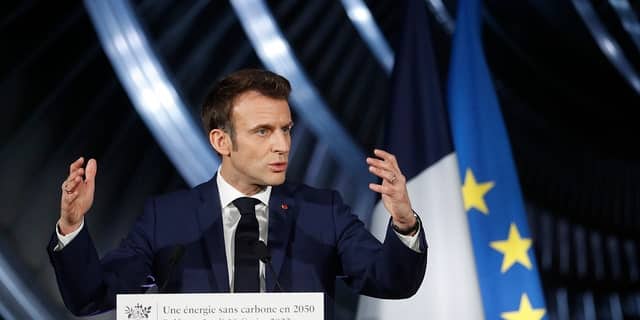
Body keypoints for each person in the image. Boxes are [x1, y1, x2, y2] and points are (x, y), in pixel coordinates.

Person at [48, 69, 427, 318]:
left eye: (286, 129)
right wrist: (72, 225)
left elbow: (391, 281)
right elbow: (91, 296)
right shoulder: (169, 217)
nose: (282, 145)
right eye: (263, 131)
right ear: (221, 141)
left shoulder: (321, 211)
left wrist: (404, 222)